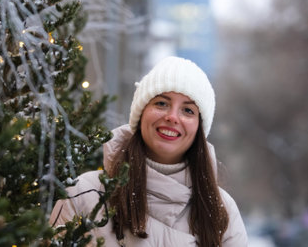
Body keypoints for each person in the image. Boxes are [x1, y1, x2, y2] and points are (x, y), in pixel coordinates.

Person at [50, 56, 248, 246]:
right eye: (161, 103)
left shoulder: (222, 210)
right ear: (140, 113)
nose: (172, 117)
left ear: (199, 128)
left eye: (188, 110)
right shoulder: (83, 193)